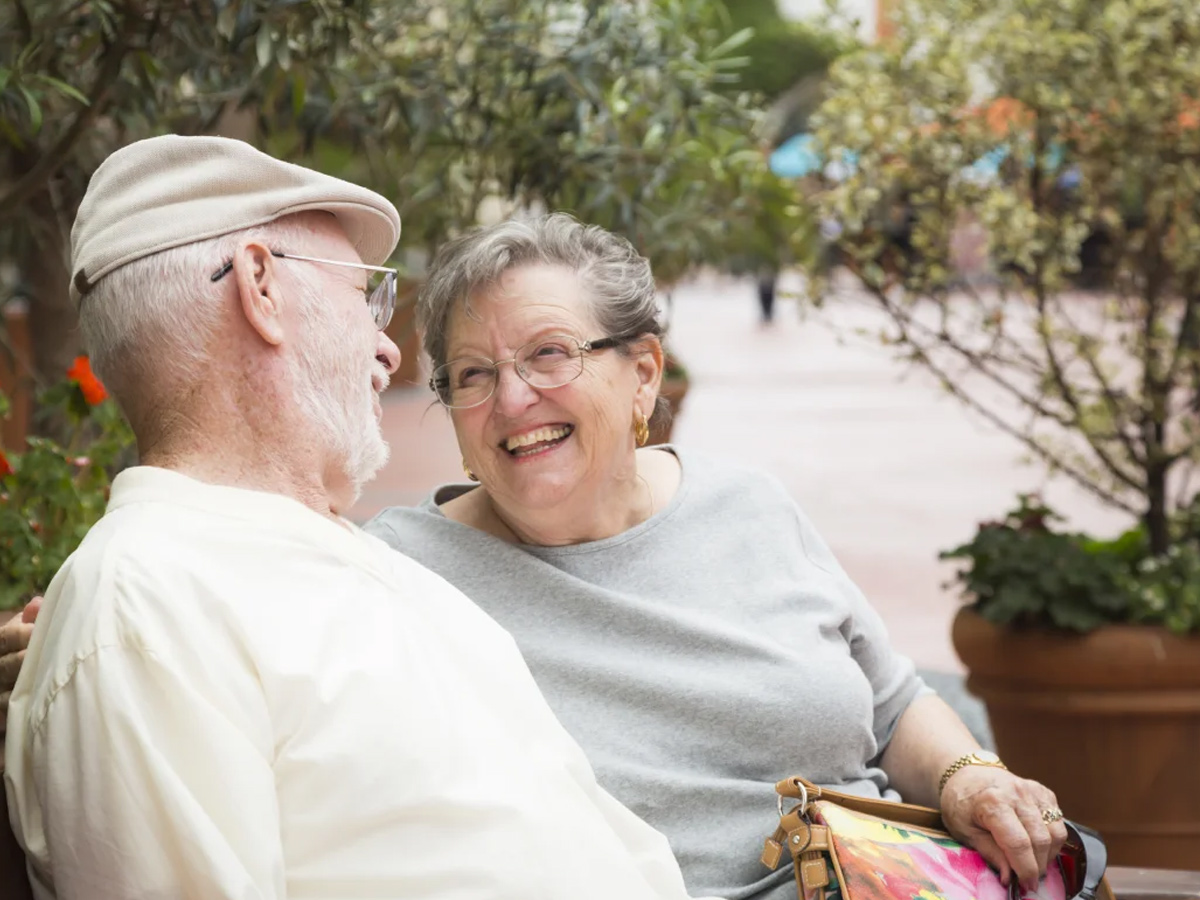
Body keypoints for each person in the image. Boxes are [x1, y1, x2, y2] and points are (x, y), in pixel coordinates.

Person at [0, 212, 1070, 899]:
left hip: (892, 874)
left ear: (643, 373)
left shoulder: (749, 507)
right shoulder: (400, 566)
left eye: (550, 355)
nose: (511, 401)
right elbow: (233, 590)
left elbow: (889, 700)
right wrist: (53, 643)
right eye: (468, 374)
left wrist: (973, 775)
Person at [1, 137, 714, 900]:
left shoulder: (352, 562)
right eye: (366, 299)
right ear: (261, 288)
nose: (387, 351)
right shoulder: (148, 606)